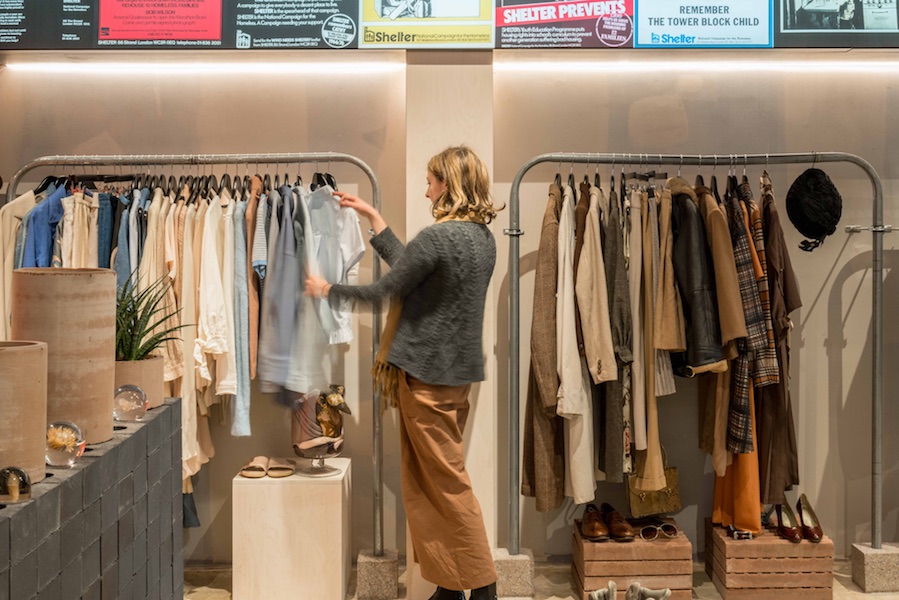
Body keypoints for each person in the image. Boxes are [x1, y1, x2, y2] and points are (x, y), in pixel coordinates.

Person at [305, 145, 502, 600]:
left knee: (446, 485)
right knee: (429, 484)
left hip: (426, 380)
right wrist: (375, 219)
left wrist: (326, 289)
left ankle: (485, 585)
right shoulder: (482, 239)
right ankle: (451, 586)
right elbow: (416, 273)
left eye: (431, 181)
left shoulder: (438, 238)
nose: (426, 189)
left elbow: (384, 292)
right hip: (454, 377)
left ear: (448, 185)